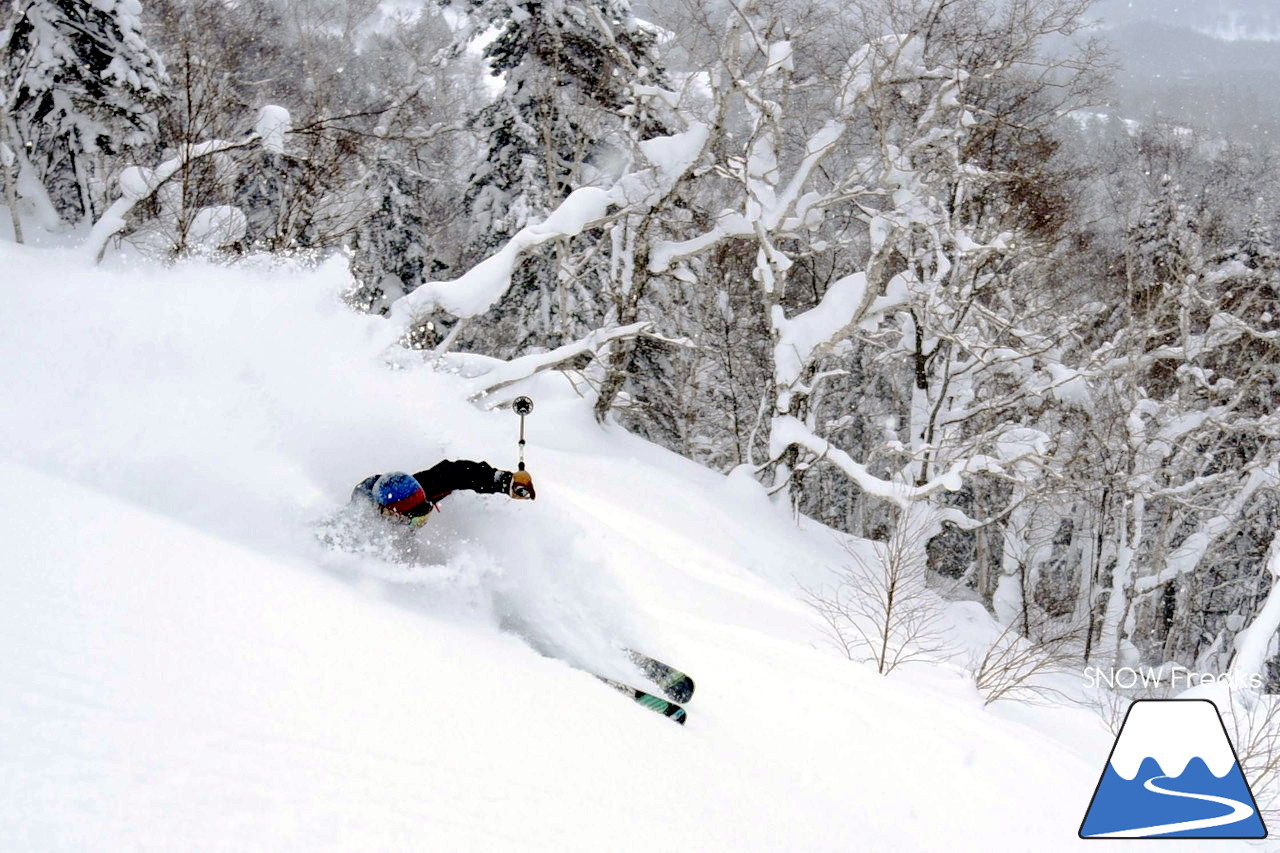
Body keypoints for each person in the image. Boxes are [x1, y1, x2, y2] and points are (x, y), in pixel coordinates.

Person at [352, 460, 535, 528]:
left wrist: (505, 482)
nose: (420, 525)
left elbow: (455, 474)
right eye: (416, 520)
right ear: (392, 513)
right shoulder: (361, 522)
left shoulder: (412, 493)